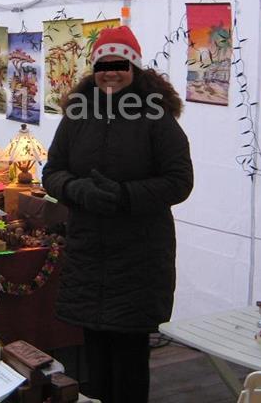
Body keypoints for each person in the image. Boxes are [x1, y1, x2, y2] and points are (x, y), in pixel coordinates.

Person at [42, 25, 193, 403]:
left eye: (119, 65)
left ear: (134, 68)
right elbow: (53, 171)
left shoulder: (156, 116)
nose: (111, 73)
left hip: (139, 257)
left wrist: (125, 196)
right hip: (89, 252)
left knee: (129, 360)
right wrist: (76, 189)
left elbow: (179, 182)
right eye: (103, 65)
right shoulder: (77, 115)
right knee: (94, 355)